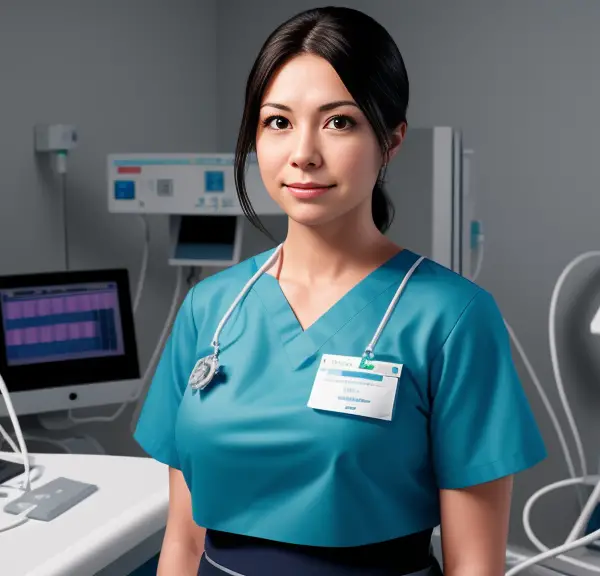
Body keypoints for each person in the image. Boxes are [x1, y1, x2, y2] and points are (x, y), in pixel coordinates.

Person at [133, 6, 547, 575]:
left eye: (339, 121)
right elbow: (182, 542)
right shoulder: (212, 308)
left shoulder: (452, 318)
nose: (303, 152)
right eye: (278, 122)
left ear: (392, 139)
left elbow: (475, 565)